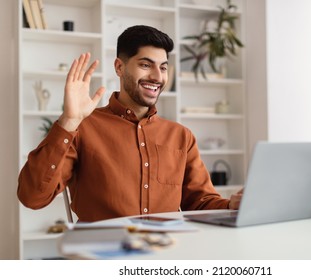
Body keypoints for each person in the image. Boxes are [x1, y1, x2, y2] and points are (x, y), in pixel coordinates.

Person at [17, 25, 242, 222]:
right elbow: (32, 197)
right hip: (101, 258)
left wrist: (230, 206)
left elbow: (200, 202)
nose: (157, 76)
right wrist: (68, 122)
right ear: (119, 67)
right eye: (146, 65)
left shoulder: (181, 136)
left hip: (164, 257)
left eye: (163, 68)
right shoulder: (83, 127)